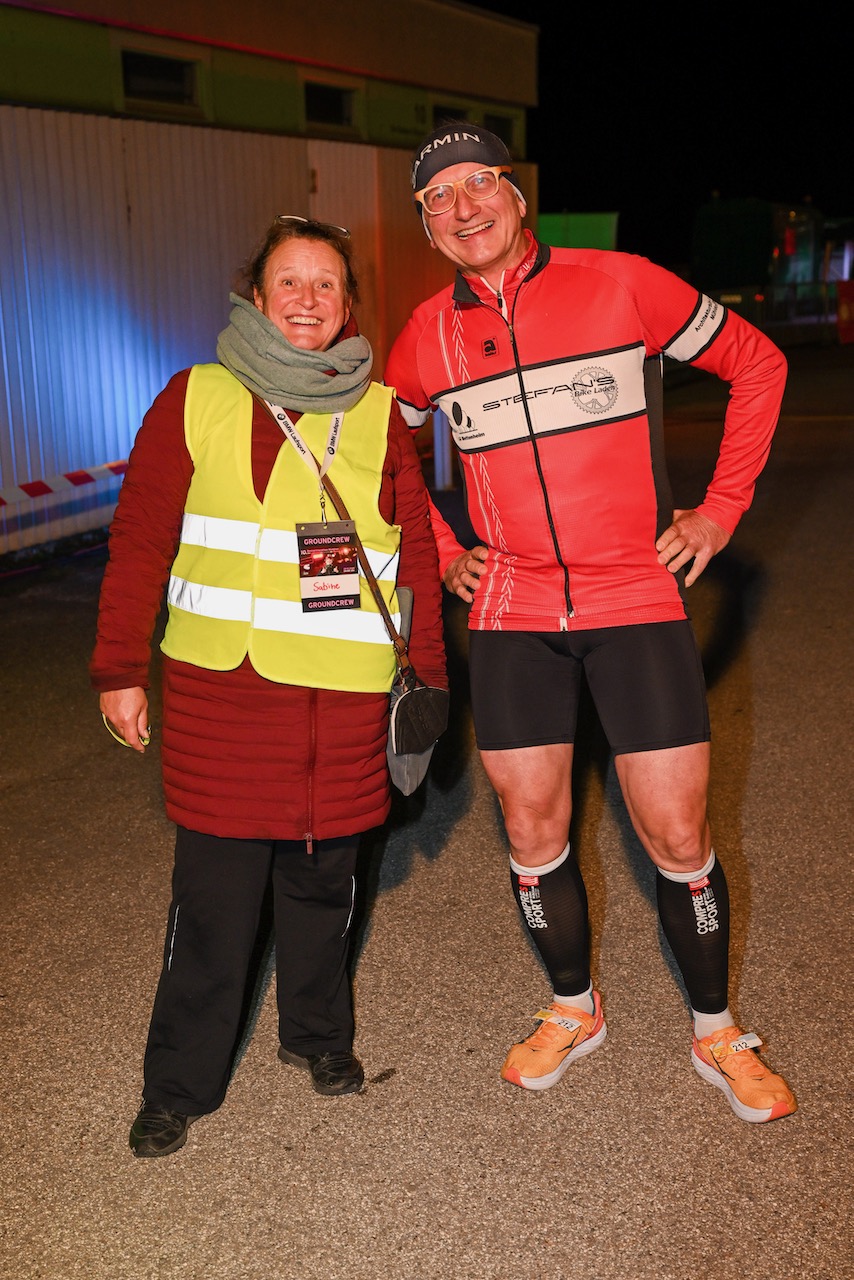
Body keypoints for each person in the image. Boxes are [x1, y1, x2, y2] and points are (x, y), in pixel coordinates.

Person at [384, 123, 797, 1123]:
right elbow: (389, 453)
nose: (459, 208)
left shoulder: (620, 282)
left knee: (676, 829)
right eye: (435, 200)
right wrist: (441, 545)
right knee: (530, 826)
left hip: (632, 595)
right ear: (428, 228)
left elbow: (756, 364)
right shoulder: (423, 335)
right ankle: (574, 1006)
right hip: (513, 608)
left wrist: (718, 510)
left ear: (515, 196)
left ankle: (714, 1028)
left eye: (476, 184)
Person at [91, 215, 446, 1157]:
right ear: (255, 295)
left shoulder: (378, 413)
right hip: (226, 705)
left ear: (348, 305)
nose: (307, 300)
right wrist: (120, 667)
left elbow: (414, 560)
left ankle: (318, 1037)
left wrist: (431, 692)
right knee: (214, 906)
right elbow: (139, 542)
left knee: (329, 889)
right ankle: (178, 1083)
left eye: (326, 285)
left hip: (346, 703)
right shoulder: (196, 398)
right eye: (289, 282)